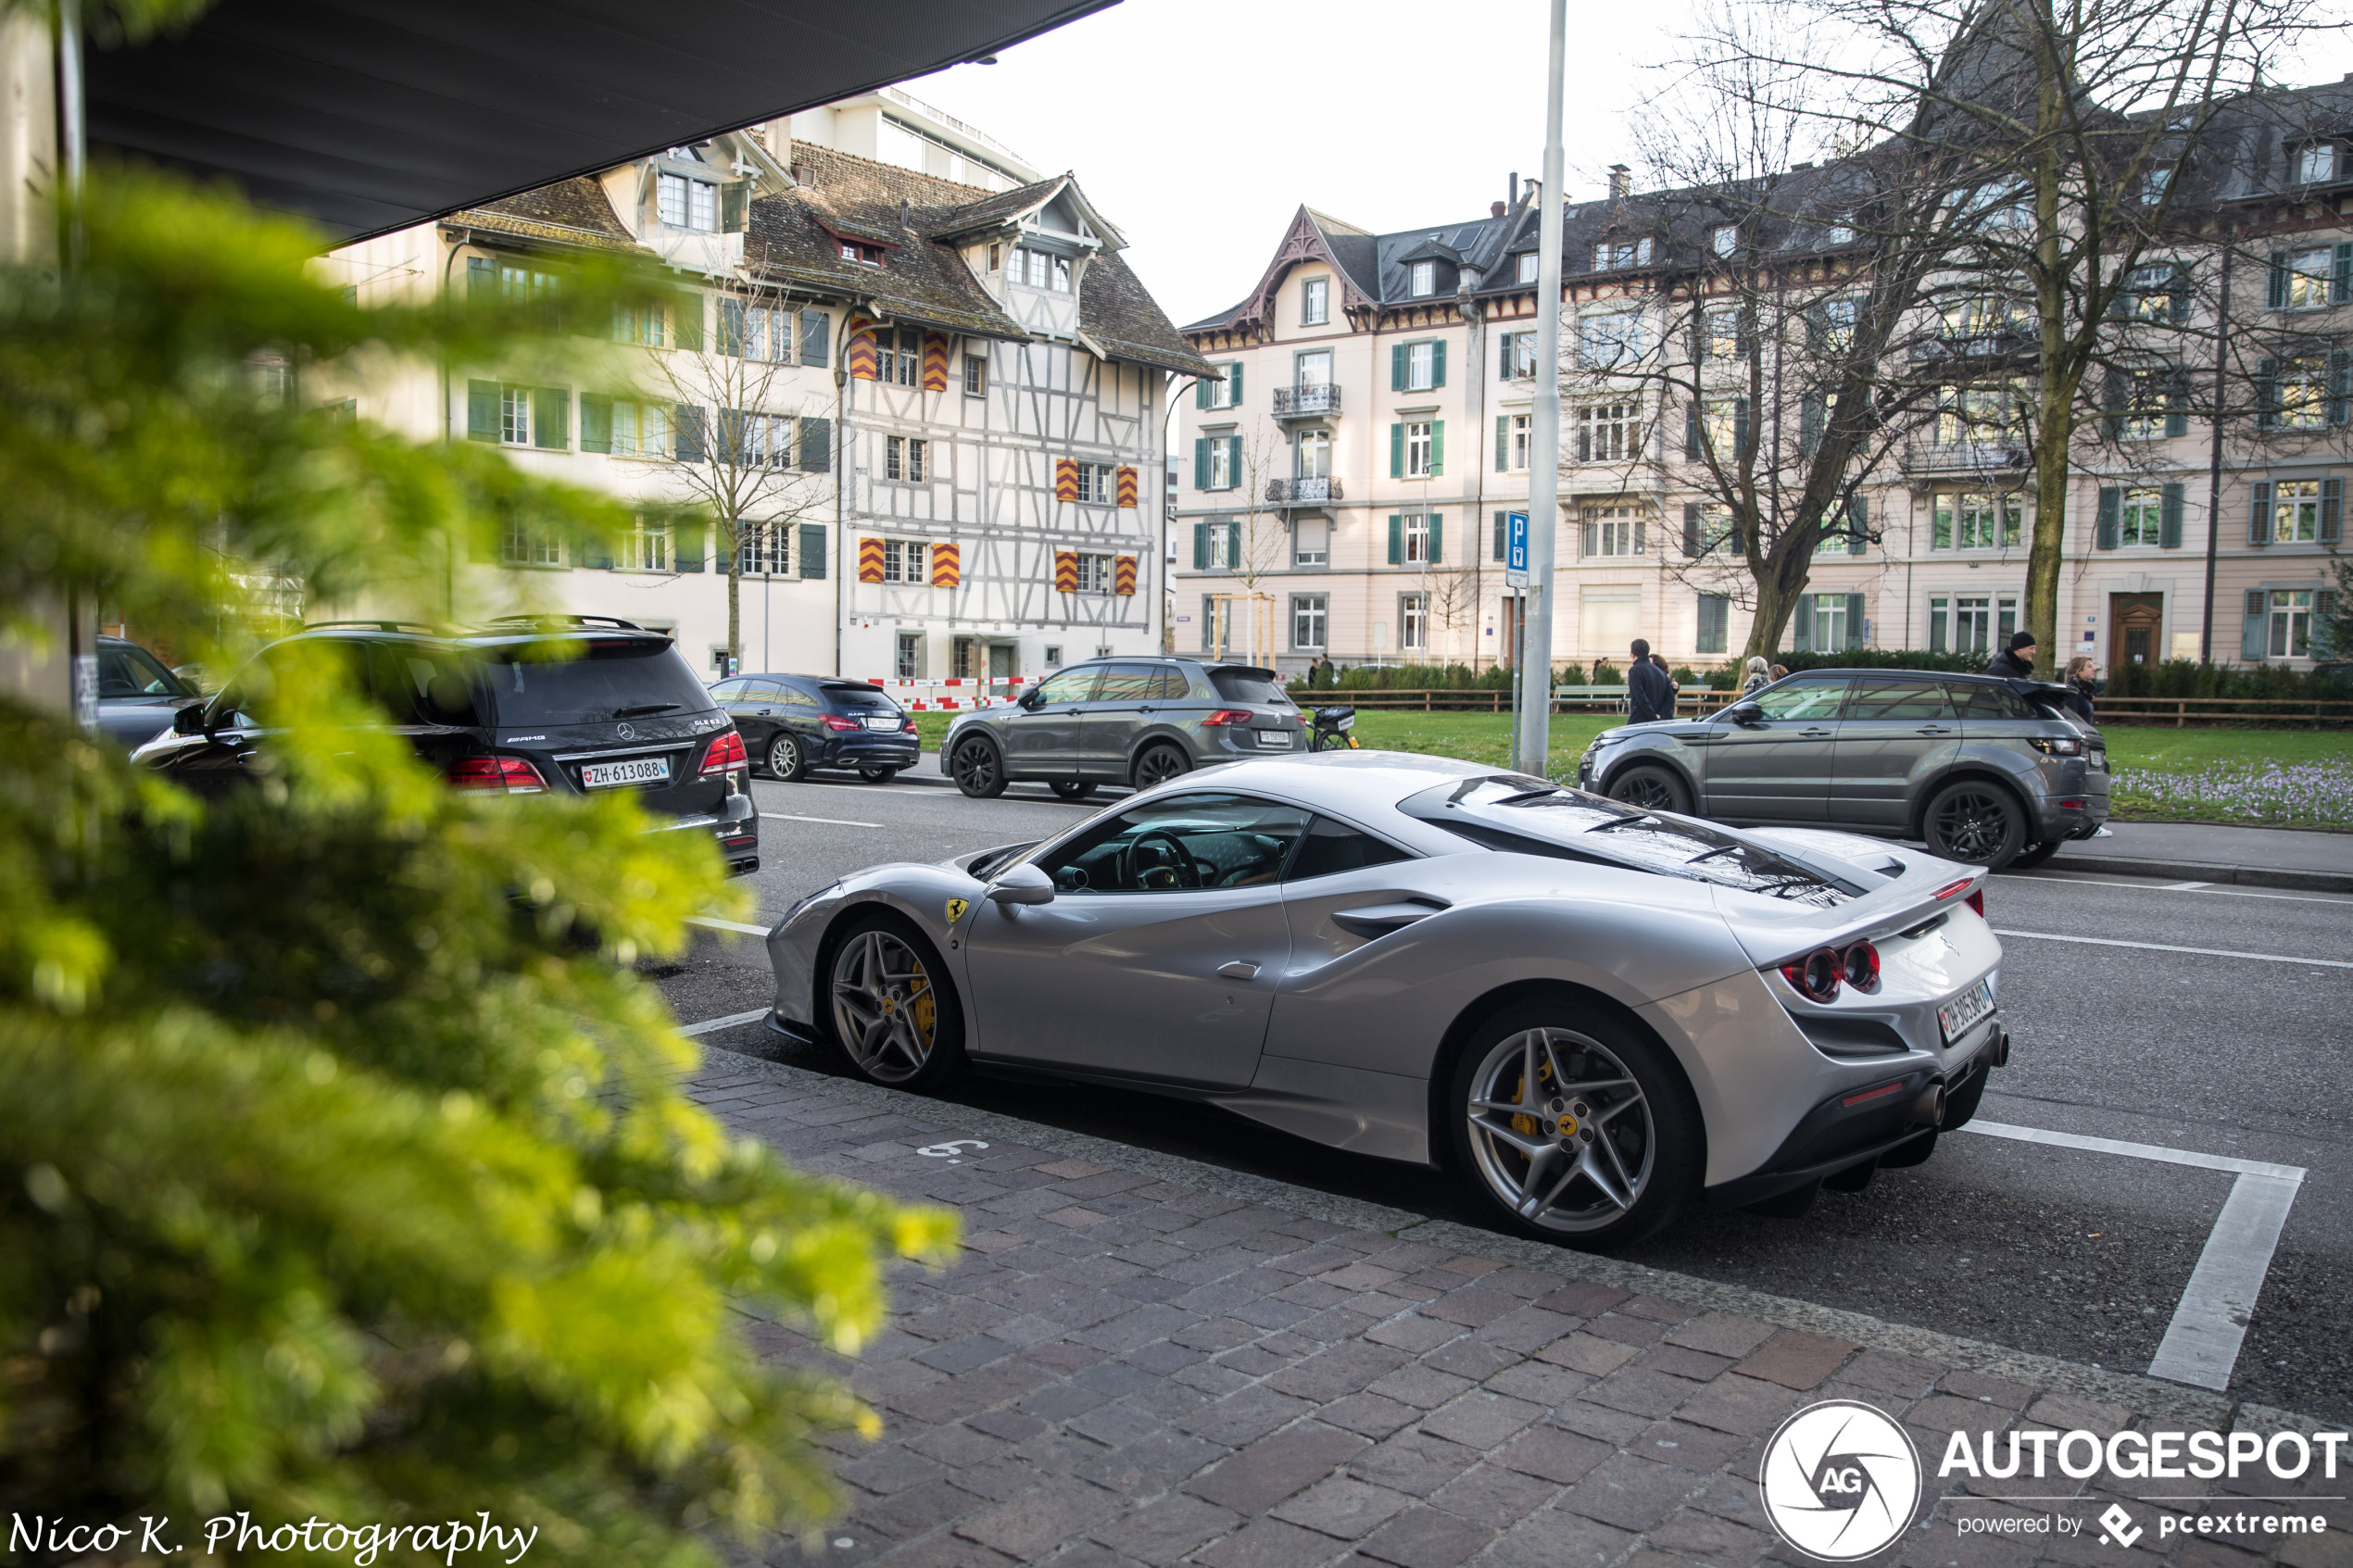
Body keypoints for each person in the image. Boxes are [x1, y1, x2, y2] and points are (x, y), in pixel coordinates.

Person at [1626, 638, 1674, 723]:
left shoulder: (1635, 670)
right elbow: (1670, 698)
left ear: (1633, 655)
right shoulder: (1661, 673)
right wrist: (1660, 714)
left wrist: (1653, 716)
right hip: (1659, 720)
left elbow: (1640, 696)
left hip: (1639, 720)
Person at [2062, 655, 2098, 725]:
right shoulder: (2072, 692)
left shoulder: (2084, 691)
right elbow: (2071, 719)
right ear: (2078, 671)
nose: (2094, 669)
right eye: (2089, 667)